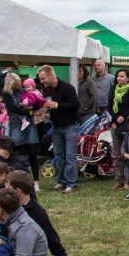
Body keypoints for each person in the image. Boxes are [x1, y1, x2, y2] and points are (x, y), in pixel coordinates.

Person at [4, 170, 79, 256]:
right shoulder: (9, 207)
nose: (5, 193)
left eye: (8, 190)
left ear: (18, 191)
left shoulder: (37, 213)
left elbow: (51, 237)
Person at [39, 65, 80, 194]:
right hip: (56, 127)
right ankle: (62, 182)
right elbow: (49, 107)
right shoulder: (47, 90)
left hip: (70, 126)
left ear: (51, 75)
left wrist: (57, 105)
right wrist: (47, 114)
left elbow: (76, 104)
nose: (41, 81)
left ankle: (71, 184)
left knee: (70, 157)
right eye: (40, 79)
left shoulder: (67, 87)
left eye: (43, 78)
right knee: (59, 156)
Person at [2, 74, 41, 190]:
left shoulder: (25, 90)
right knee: (20, 154)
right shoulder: (6, 93)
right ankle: (23, 180)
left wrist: (33, 110)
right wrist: (29, 112)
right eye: (17, 83)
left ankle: (36, 182)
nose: (20, 85)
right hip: (16, 125)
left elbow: (35, 101)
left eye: (20, 82)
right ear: (11, 83)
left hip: (29, 124)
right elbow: (12, 109)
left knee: (32, 153)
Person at [108, 69, 129, 191]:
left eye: (122, 76)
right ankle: (119, 180)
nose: (119, 78)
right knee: (118, 154)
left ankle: (128, 180)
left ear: (128, 78)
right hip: (115, 124)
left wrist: (123, 117)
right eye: (118, 76)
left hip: (127, 123)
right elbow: (109, 106)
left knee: (127, 153)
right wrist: (115, 120)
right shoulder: (113, 89)